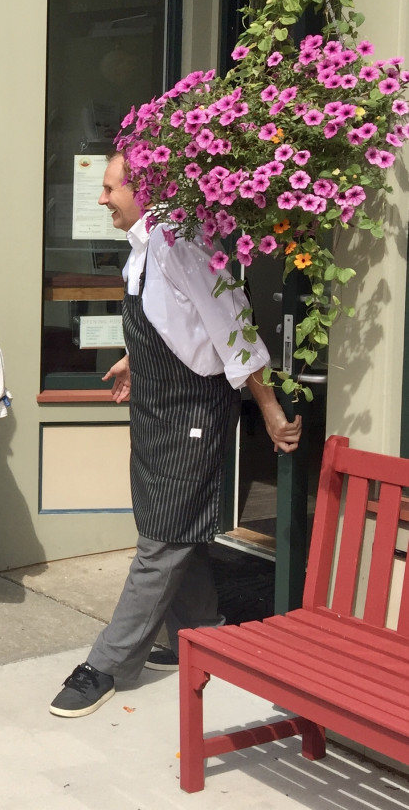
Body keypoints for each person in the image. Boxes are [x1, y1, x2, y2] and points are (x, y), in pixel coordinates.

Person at [48, 153, 302, 716]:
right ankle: (205, 634)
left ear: (142, 189)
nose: (101, 199)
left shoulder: (180, 244)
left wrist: (268, 410)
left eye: (109, 188)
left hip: (192, 411)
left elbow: (232, 331)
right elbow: (178, 327)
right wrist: (132, 362)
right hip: (156, 408)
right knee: (170, 523)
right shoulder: (143, 249)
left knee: (163, 540)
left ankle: (107, 664)